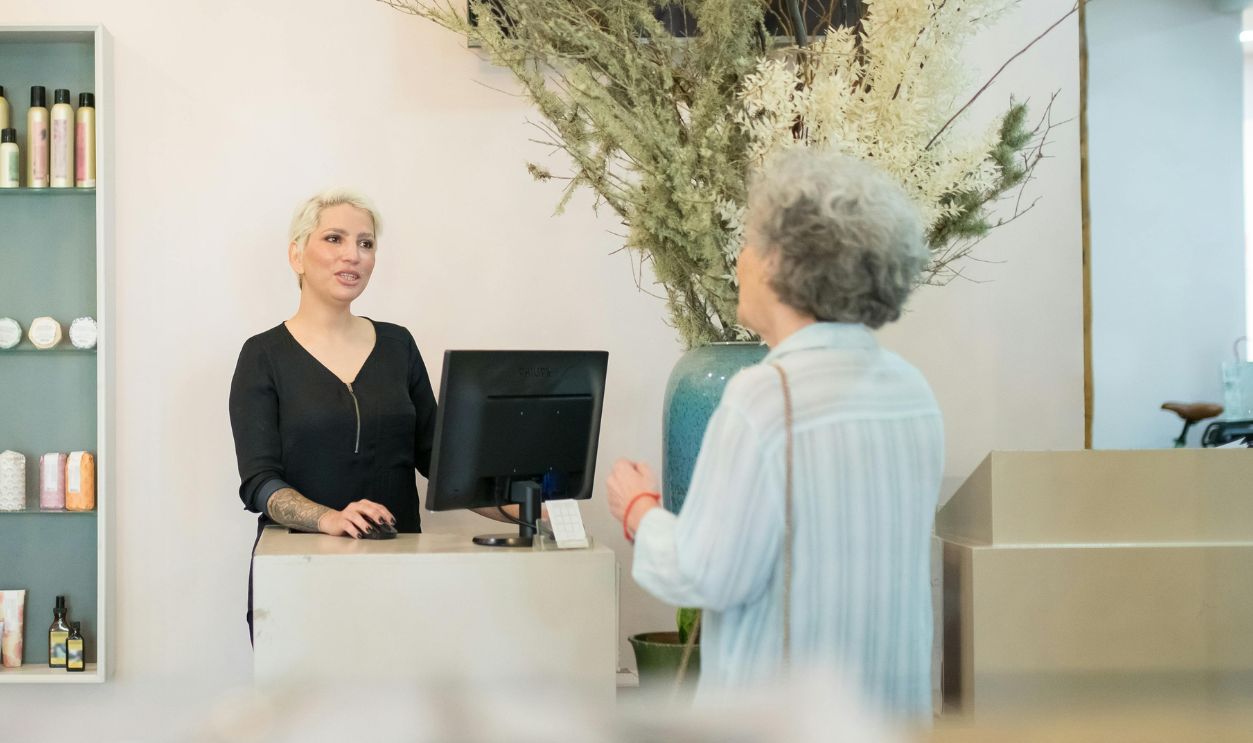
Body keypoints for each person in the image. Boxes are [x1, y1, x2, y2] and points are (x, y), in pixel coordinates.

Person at [606, 150, 945, 720]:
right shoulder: (911, 390)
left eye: (751, 243)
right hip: (889, 715)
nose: (739, 260)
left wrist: (638, 508)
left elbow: (706, 573)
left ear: (782, 263)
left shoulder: (765, 398)